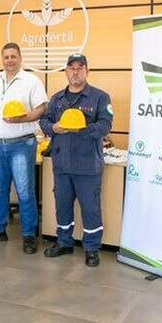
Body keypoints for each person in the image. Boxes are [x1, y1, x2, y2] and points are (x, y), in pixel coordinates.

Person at [39, 53, 113, 267]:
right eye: (71, 68)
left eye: (80, 67)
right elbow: (44, 121)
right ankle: (64, 242)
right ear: (66, 72)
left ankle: (92, 248)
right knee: (62, 207)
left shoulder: (100, 97)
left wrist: (80, 128)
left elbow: (105, 126)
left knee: (90, 209)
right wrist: (54, 128)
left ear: (87, 71)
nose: (75, 71)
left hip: (87, 166)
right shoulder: (57, 99)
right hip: (62, 165)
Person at [0, 42, 48, 254]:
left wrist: (21, 119)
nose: (10, 60)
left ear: (20, 58)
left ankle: (29, 235)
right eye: (6, 56)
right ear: (2, 59)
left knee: (25, 192)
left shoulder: (31, 81)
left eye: (13, 56)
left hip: (22, 144)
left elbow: (42, 108)